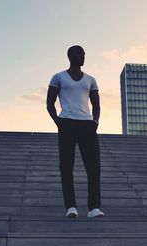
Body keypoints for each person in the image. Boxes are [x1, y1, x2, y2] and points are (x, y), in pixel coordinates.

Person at [46, 45, 104, 218]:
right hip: (67, 124)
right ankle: (70, 206)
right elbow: (50, 102)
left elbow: (96, 104)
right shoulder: (58, 77)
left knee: (93, 167)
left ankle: (94, 208)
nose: (83, 56)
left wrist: (95, 122)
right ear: (70, 56)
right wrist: (58, 121)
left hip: (87, 125)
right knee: (66, 166)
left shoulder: (91, 79)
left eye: (84, 53)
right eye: (80, 53)